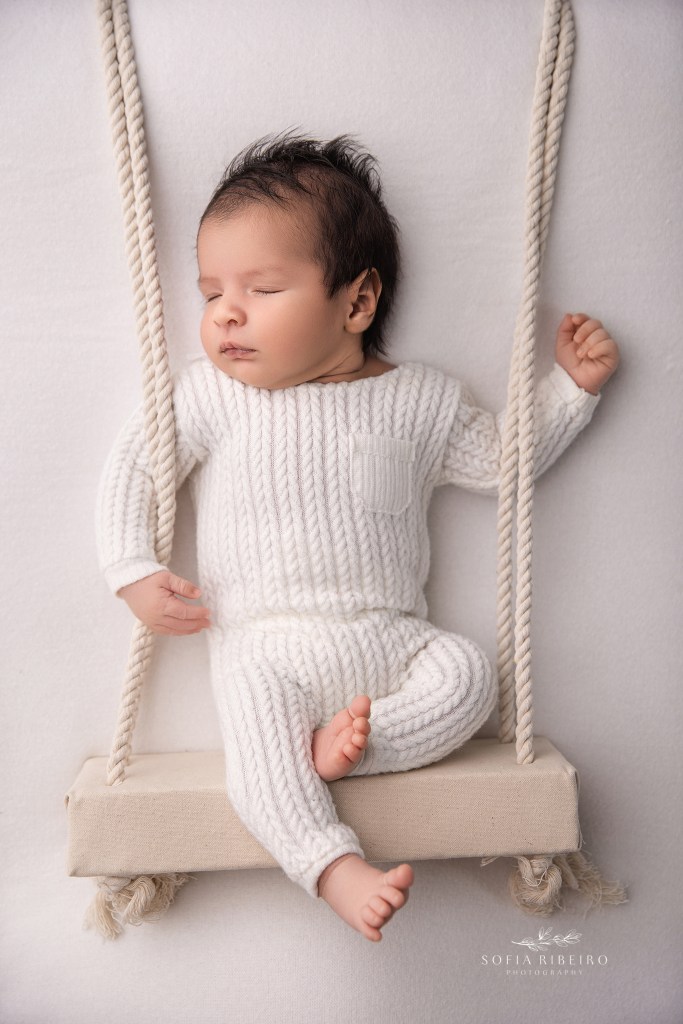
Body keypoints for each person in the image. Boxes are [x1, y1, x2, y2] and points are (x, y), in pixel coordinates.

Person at [96, 133, 620, 943]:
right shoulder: (210, 398)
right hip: (266, 646)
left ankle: (343, 753)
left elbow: (501, 462)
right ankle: (331, 864)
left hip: (393, 643)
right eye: (210, 294)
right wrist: (132, 569)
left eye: (262, 288)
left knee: (471, 677)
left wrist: (568, 392)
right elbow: (132, 469)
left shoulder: (419, 402)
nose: (226, 312)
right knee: (256, 751)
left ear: (356, 302)